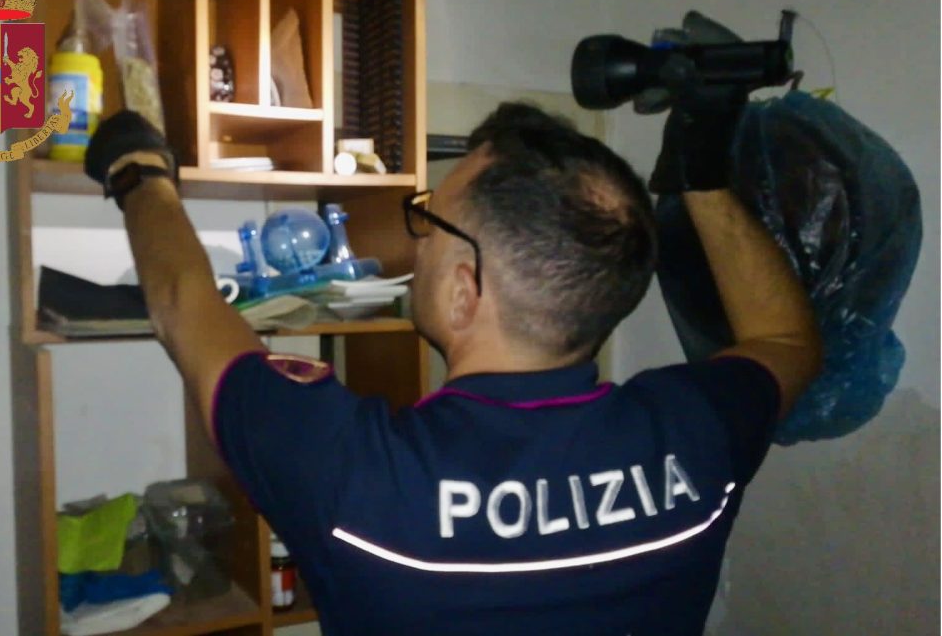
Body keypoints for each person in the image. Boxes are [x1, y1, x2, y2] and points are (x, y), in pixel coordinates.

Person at [84, 90, 822, 635]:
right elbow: (789, 343)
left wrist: (139, 171)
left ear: (466, 292)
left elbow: (181, 302)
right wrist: (703, 183)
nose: (419, 239)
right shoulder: (696, 431)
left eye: (430, 220)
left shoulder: (355, 475)